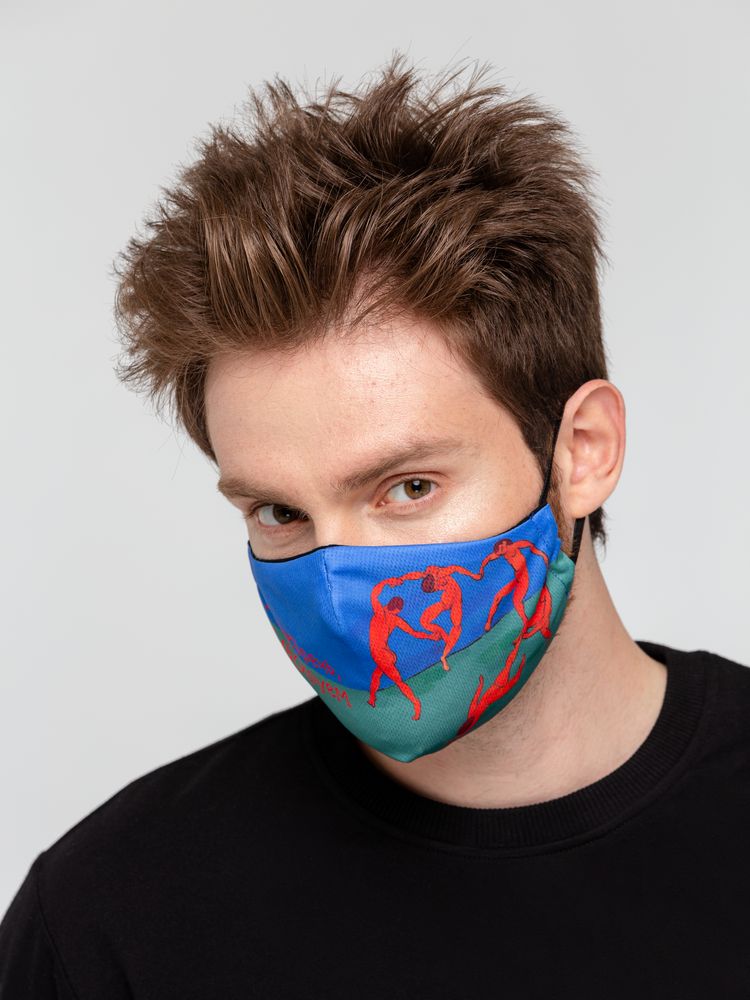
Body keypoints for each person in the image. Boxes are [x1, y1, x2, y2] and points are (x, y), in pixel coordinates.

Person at [1, 52, 748, 998]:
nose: (341, 583)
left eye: (407, 488)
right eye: (280, 511)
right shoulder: (108, 920)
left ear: (583, 452)